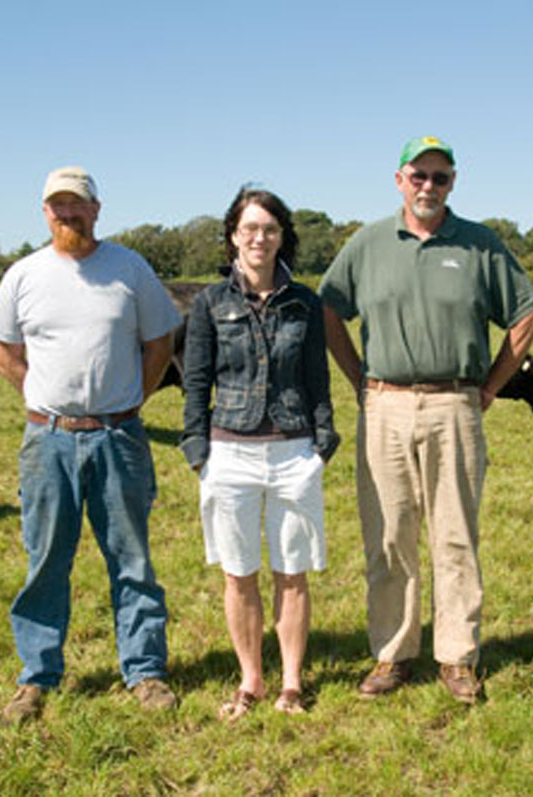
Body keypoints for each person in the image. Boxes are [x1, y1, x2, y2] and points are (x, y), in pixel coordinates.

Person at [318, 136, 533, 705]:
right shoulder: (368, 244)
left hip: (455, 405)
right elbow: (327, 309)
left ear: (453, 183)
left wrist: (490, 387)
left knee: (454, 534)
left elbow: (527, 313)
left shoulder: (478, 244)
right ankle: (392, 653)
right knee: (389, 535)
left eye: (439, 178)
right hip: (384, 405)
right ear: (399, 179)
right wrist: (358, 381)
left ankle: (457, 657)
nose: (428, 186)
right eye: (418, 175)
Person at [0, 165, 183, 723]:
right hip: (47, 442)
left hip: (119, 436)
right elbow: (5, 353)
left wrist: (126, 403)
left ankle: (144, 671)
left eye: (77, 204)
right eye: (57, 205)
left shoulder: (130, 269)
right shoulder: (23, 276)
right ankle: (36, 676)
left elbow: (159, 342)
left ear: (96, 209)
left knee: (132, 558)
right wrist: (50, 403)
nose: (67, 213)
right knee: (46, 559)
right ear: (44, 211)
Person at [180, 187, 339, 721]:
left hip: (295, 450)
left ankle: (292, 682)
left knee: (293, 571)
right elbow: (195, 379)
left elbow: (317, 376)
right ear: (233, 236)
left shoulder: (305, 302)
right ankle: (251, 678)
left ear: (281, 237)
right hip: (229, 452)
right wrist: (197, 448)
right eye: (249, 228)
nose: (259, 238)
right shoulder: (209, 302)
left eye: (269, 229)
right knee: (239, 572)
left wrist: (322, 440)